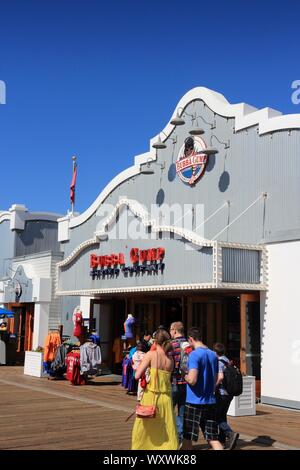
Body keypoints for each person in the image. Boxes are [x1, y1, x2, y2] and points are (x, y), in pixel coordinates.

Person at [131, 329, 179, 450]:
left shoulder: (151, 354)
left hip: (151, 396)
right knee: (166, 428)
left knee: (144, 429)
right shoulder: (170, 359)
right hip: (166, 398)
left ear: (155, 341)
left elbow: (137, 375)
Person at [181, 327, 223, 450]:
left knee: (187, 438)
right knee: (213, 439)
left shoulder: (194, 355)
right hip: (210, 401)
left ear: (190, 339)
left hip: (194, 401)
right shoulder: (213, 355)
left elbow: (192, 380)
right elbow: (215, 379)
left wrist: (184, 375)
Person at [169, 321, 192, 443]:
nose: (170, 332)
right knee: (182, 411)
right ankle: (181, 436)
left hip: (174, 381)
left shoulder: (171, 344)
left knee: (169, 410)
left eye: (170, 330)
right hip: (187, 382)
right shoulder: (189, 345)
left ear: (174, 330)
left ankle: (172, 437)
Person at [213, 342, 239, 450]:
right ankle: (222, 441)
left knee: (216, 417)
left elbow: (220, 377)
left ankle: (230, 434)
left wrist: (214, 387)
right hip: (229, 394)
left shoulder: (219, 362)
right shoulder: (228, 361)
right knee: (222, 416)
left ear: (215, 352)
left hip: (222, 393)